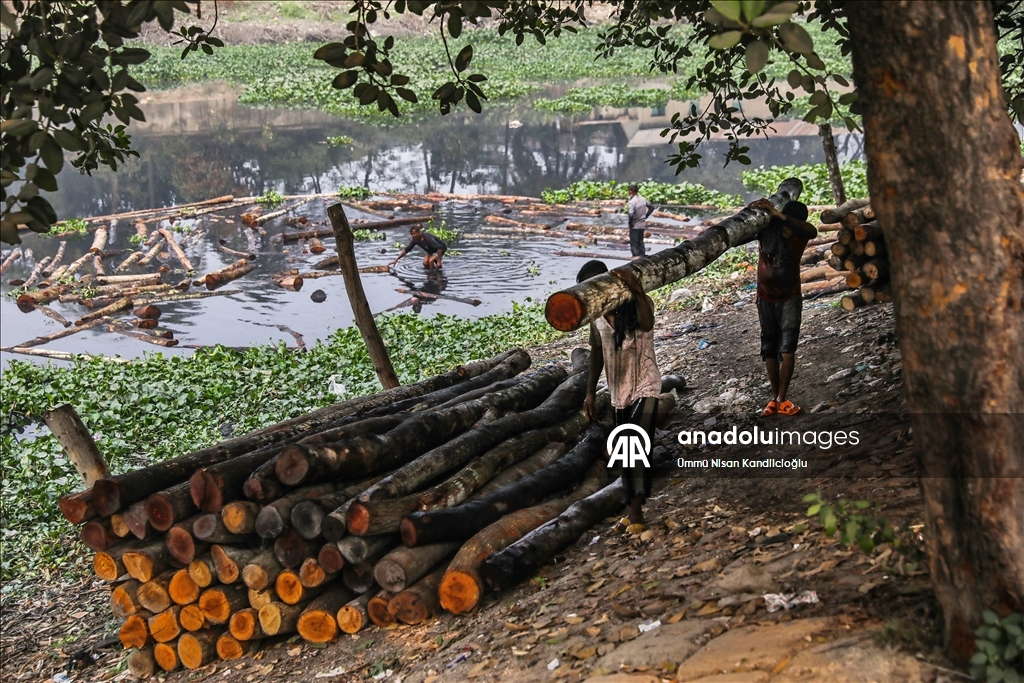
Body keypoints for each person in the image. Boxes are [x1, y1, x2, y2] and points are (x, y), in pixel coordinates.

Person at [579, 260, 662, 527]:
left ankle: (636, 511)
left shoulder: (640, 303)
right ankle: (634, 507)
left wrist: (637, 292)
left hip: (645, 383)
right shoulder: (597, 316)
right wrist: (590, 393)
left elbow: (647, 325)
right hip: (618, 390)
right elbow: (596, 353)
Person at [748, 198, 818, 416]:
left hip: (790, 297)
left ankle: (782, 398)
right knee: (769, 348)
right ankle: (774, 398)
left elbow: (813, 230)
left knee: (787, 347)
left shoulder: (800, 234)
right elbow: (742, 235)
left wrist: (780, 216)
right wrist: (752, 212)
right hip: (765, 297)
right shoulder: (768, 230)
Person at [626, 184, 655, 258]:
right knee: (640, 242)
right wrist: (645, 216)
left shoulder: (632, 202)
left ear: (631, 191)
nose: (628, 192)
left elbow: (631, 214)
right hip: (642, 224)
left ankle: (636, 257)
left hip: (635, 224)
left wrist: (630, 223)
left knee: (634, 243)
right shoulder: (643, 199)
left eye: (629, 190)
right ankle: (642, 257)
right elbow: (651, 207)